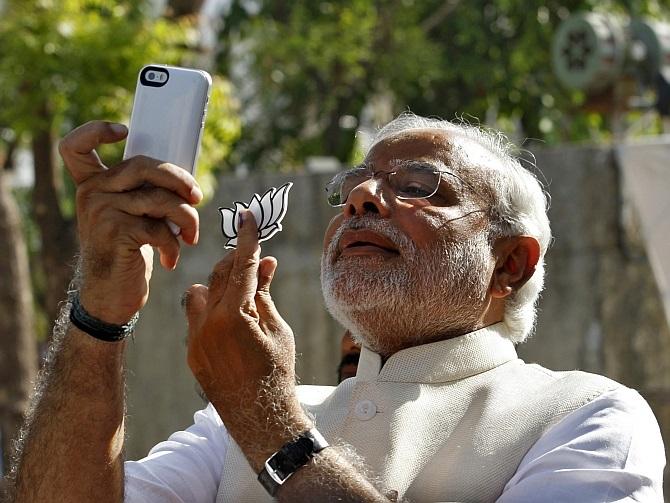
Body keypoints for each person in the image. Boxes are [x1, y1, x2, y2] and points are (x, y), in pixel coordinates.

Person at [8, 114, 665, 502]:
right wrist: (99, 308)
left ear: (510, 263)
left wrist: (271, 424)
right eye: (350, 190)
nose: (362, 199)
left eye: (418, 186)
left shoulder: (590, 414)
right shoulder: (228, 424)